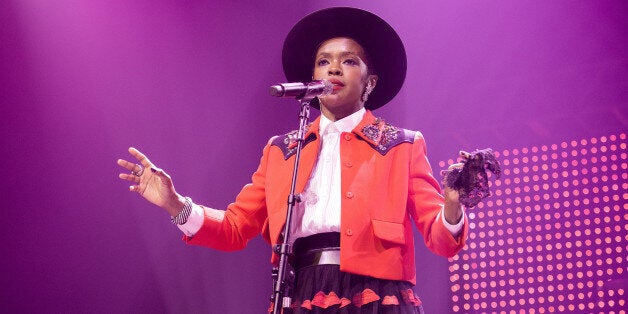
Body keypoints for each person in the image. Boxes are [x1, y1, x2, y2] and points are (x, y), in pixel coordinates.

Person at [117, 7, 471, 314]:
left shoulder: (402, 145)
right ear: (312, 79)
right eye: (323, 61)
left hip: (375, 293)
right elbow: (235, 228)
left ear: (370, 82)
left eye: (349, 61)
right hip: (300, 292)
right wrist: (176, 205)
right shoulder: (282, 149)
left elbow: (441, 238)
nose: (334, 69)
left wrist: (452, 206)